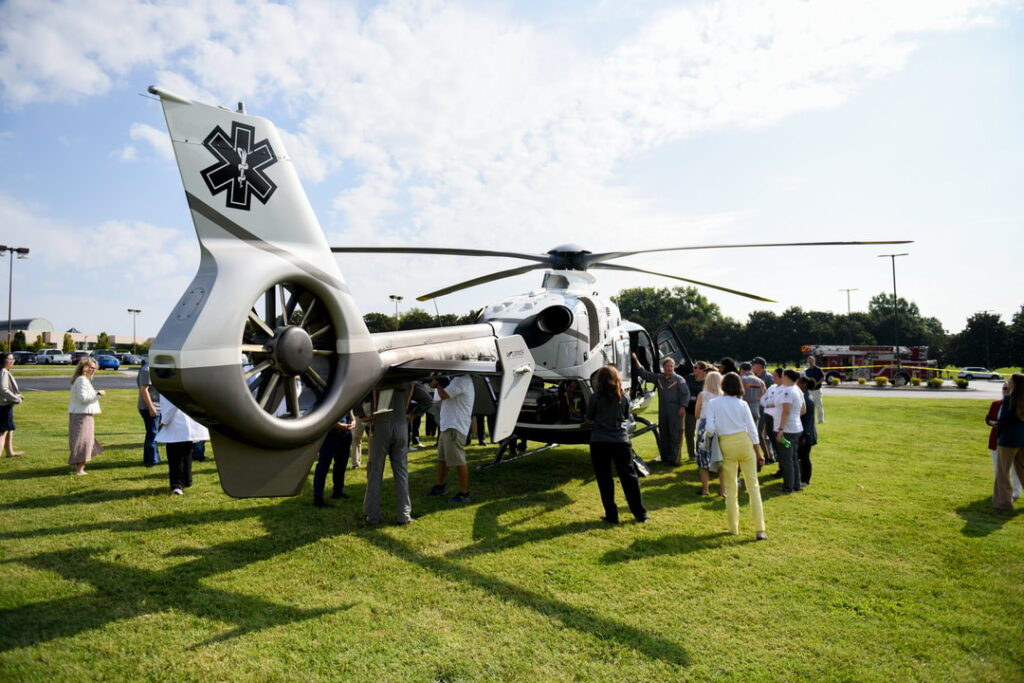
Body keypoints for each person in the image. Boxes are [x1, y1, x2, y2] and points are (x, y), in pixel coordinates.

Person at [703, 372, 768, 540]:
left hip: (726, 445)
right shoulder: (743, 404)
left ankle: (733, 528)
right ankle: (760, 529)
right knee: (753, 487)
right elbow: (753, 430)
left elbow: (709, 429)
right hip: (745, 442)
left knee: (731, 489)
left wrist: (707, 440)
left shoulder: (713, 403)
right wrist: (759, 452)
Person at [585, 365, 648, 524]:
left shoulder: (595, 397)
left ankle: (612, 516)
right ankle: (641, 515)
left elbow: (589, 418)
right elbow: (626, 417)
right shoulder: (624, 397)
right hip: (620, 441)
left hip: (599, 441)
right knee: (630, 479)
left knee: (604, 479)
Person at [364, 386, 414, 524]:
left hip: (381, 424)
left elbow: (359, 394)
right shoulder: (408, 376)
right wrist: (412, 416)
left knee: (375, 472)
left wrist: (363, 415)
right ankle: (404, 515)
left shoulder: (379, 375)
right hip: (401, 424)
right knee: (402, 473)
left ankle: (372, 515)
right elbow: (426, 399)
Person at [632, 354, 690, 466]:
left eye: (672, 366)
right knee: (664, 433)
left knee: (675, 434)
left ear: (674, 367)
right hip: (663, 411)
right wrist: (635, 359)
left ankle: (675, 460)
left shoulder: (679, 380)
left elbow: (685, 394)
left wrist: (683, 406)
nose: (670, 368)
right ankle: (665, 458)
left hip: (676, 411)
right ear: (663, 367)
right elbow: (645, 374)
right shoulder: (659, 378)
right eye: (668, 366)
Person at [426, 375, 475, 503]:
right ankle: (440, 486)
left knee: (459, 461)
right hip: (448, 426)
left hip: (455, 426)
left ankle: (464, 493)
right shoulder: (457, 380)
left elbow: (444, 395)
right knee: (442, 459)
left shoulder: (461, 380)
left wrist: (437, 384)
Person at [155, 398, 210, 495]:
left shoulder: (168, 386)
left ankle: (177, 485)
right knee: (186, 455)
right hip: (185, 426)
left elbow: (172, 406)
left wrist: (163, 421)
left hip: (176, 427)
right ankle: (187, 481)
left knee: (175, 458)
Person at [68, 358, 105, 475]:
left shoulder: (83, 380)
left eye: (94, 368)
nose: (92, 370)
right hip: (82, 415)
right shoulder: (82, 380)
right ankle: (79, 469)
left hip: (82, 414)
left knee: (82, 441)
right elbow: (84, 399)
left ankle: (78, 467)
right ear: (83, 367)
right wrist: (98, 394)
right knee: (84, 442)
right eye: (90, 367)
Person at [993, 373, 1024, 510]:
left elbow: (1003, 420)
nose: (1008, 382)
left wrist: (998, 434)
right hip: (1022, 438)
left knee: (1002, 472)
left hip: (1008, 439)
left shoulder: (1009, 399)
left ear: (1014, 384)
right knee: (1022, 469)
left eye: (1009, 380)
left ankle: (1003, 503)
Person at [312, 410, 355, 507]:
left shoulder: (346, 395)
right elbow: (324, 412)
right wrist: (338, 425)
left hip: (345, 433)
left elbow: (349, 408)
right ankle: (318, 499)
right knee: (323, 465)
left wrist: (353, 420)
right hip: (329, 433)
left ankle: (338, 492)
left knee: (341, 464)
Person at [986, 386, 1021, 503]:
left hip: (1012, 441)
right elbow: (988, 418)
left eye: (1007, 388)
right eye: (1003, 388)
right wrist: (992, 422)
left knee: (1015, 469)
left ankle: (1016, 492)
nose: (1005, 390)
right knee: (998, 468)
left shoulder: (1017, 404)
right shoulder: (996, 403)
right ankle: (1000, 493)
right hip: (996, 440)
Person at [774, 369, 806, 494]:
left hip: (787, 430)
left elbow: (786, 411)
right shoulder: (797, 389)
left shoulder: (787, 391)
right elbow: (803, 409)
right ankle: (796, 484)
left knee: (787, 459)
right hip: (796, 429)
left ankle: (788, 487)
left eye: (782, 376)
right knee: (793, 458)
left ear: (786, 376)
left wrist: (781, 429)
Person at [694, 370, 723, 496]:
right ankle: (723, 490)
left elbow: (696, 414)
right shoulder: (723, 396)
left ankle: (705, 489)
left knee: (703, 458)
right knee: (720, 459)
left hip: (705, 426)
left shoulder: (703, 395)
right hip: (720, 427)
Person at [136, 356, 162, 466]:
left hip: (158, 406)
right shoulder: (147, 369)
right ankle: (152, 460)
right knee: (153, 433)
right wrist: (151, 408)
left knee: (154, 433)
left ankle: (152, 458)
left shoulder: (156, 368)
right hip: (149, 407)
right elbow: (144, 390)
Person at [1, 353, 25, 458]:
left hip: (5, 405)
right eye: (9, 359)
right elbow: (3, 389)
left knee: (9, 429)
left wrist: (17, 395)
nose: (12, 361)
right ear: (3, 360)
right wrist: (16, 399)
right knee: (2, 432)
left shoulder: (5, 371)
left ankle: (10, 452)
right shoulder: (3, 372)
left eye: (13, 359)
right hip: (3, 406)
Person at [684, 361, 709, 461]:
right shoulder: (688, 378)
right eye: (694, 367)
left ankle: (701, 453)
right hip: (690, 409)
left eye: (696, 367)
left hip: (703, 410)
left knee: (702, 432)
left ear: (703, 370)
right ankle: (691, 455)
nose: (694, 369)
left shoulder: (707, 381)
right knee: (689, 433)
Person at [796, 376, 818, 487]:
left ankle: (805, 480)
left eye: (798, 382)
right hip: (804, 434)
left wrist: (804, 436)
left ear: (803, 384)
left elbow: (808, 421)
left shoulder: (807, 399)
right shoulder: (803, 396)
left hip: (806, 435)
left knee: (804, 457)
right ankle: (800, 477)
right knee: (800, 456)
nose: (796, 384)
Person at [804, 355, 825, 424]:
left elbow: (822, 378)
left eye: (811, 360)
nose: (810, 362)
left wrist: (816, 383)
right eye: (808, 361)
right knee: (809, 406)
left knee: (819, 405)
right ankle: (811, 420)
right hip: (810, 391)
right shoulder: (807, 371)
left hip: (817, 390)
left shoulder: (818, 369)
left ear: (814, 361)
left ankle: (820, 420)